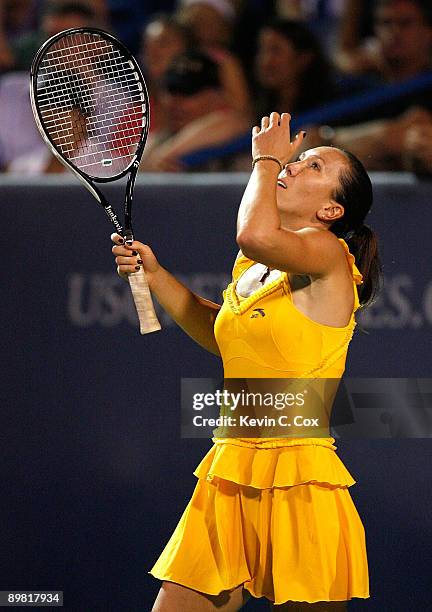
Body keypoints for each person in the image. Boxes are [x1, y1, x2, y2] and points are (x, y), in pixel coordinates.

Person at [111, 112, 381, 610]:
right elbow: (224, 338)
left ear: (331, 211)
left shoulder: (326, 254)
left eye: (314, 166)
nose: (295, 167)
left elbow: (253, 234)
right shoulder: (256, 270)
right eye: (297, 160)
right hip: (229, 472)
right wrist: (155, 276)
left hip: (299, 481)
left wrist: (266, 159)